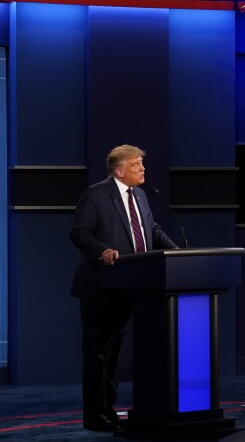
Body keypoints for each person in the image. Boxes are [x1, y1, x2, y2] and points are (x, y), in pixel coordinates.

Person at [69, 145, 179, 431]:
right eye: (136, 165)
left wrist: (176, 252)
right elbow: (79, 232)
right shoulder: (95, 194)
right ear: (119, 171)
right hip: (100, 286)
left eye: (142, 164)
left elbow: (150, 230)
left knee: (115, 355)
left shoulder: (141, 195)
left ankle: (109, 410)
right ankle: (95, 416)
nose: (143, 169)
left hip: (131, 285)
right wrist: (102, 250)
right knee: (98, 355)